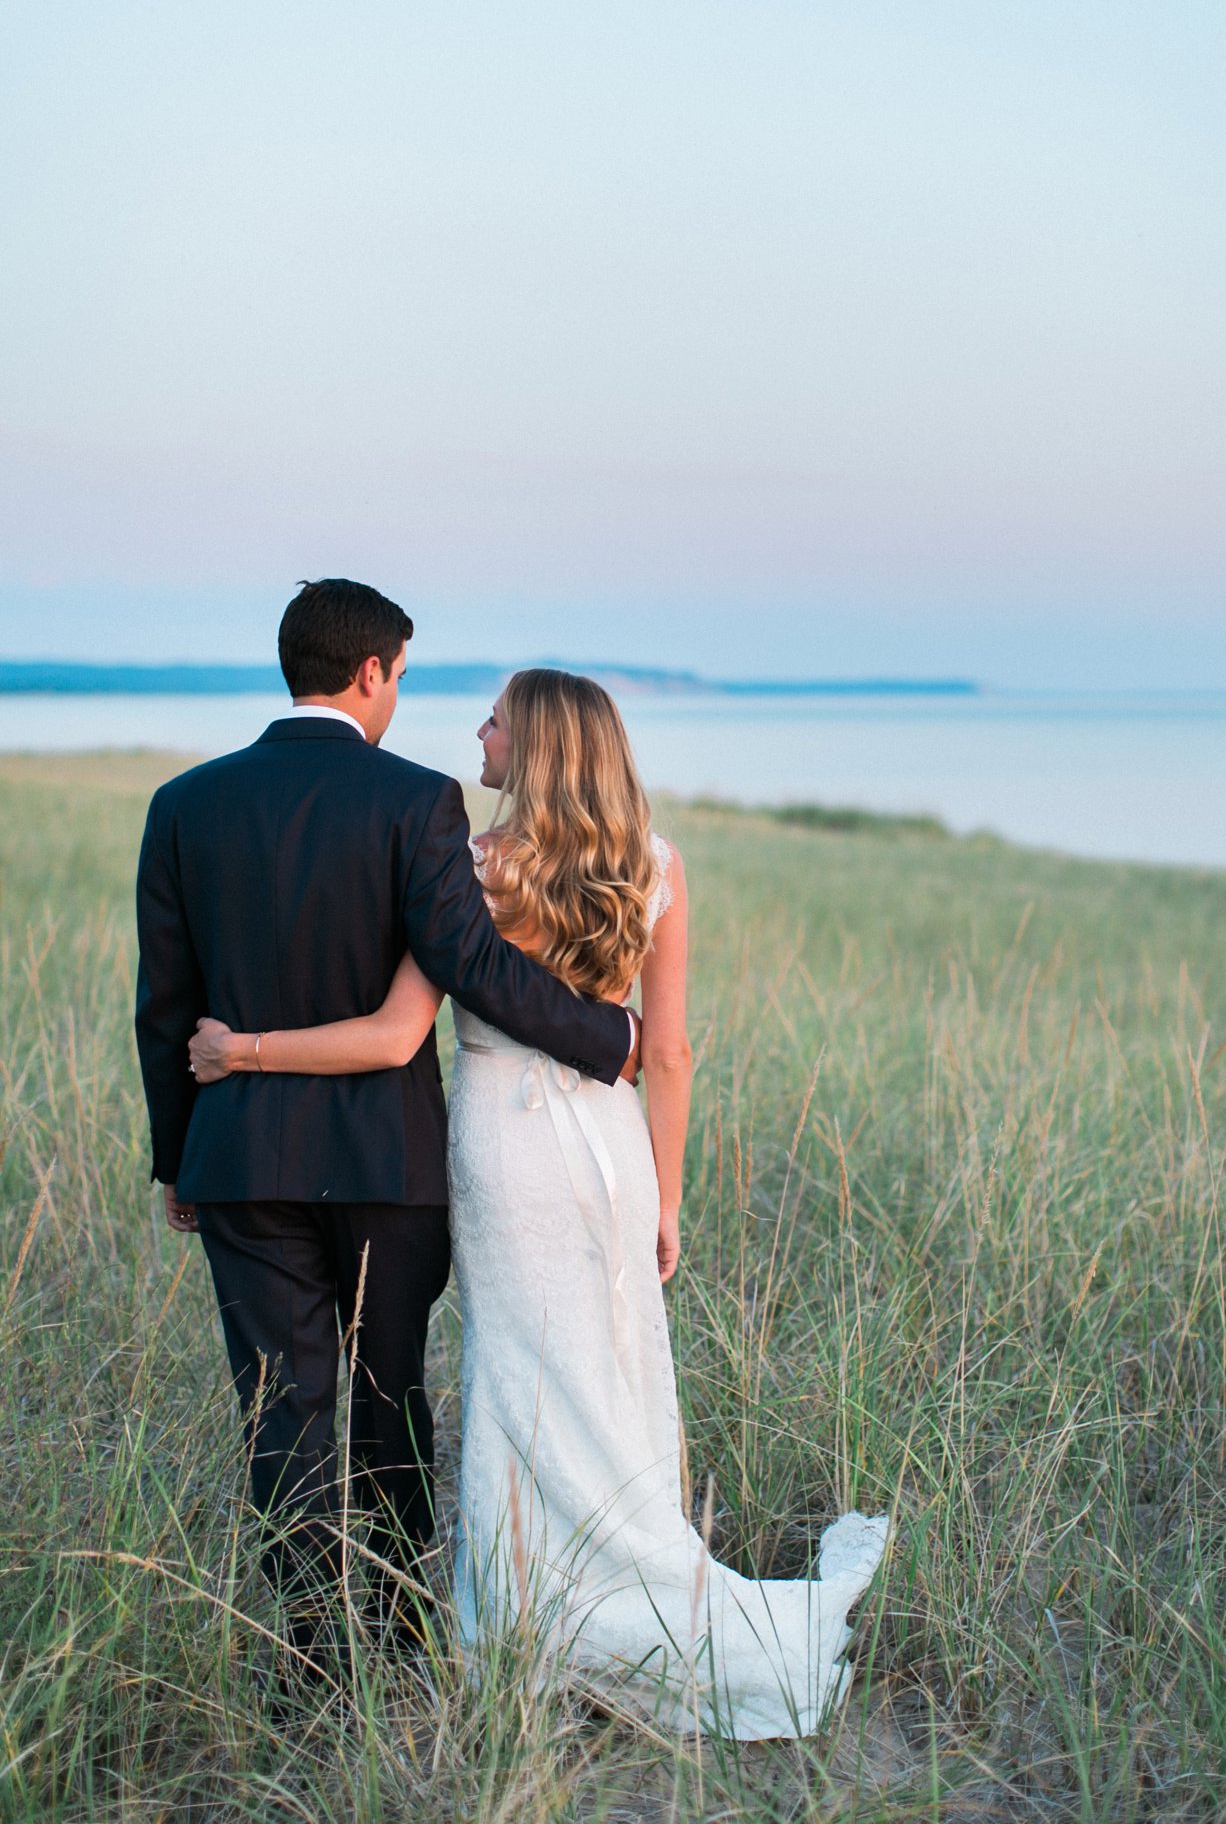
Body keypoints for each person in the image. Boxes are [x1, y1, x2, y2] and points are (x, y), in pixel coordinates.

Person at [188, 667, 888, 1738]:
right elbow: (669, 1051)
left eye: (495, 719)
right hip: (609, 1152)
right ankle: (625, 1573)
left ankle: (526, 1610)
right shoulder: (653, 867)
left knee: (516, 1368)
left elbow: (391, 1033)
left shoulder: (473, 867)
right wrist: (666, 1197)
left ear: (537, 748)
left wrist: (243, 1050)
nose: (478, 730)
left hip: (503, 1151)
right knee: (603, 1362)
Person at [134, 584, 637, 1693]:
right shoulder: (417, 801)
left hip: (239, 1162)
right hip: (387, 1170)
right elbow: (474, 965)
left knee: (284, 1408)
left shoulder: (184, 803)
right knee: (387, 1395)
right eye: (401, 674)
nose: (400, 694)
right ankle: (405, 1633)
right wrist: (610, 1036)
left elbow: (163, 1007)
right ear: (372, 671)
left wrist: (180, 1158)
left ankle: (312, 1663)